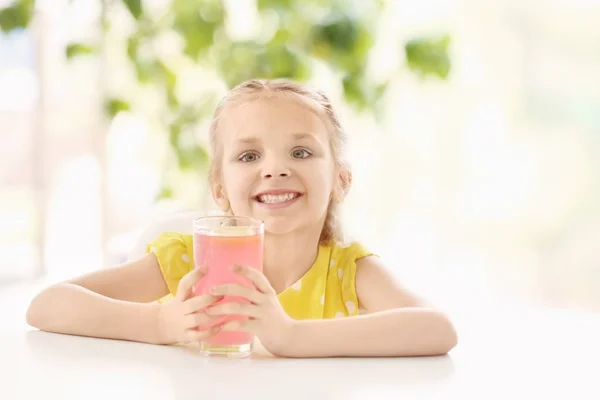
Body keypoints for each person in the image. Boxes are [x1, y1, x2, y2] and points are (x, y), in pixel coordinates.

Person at [26, 79, 457, 357]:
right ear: (219, 189)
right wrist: (159, 323)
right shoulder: (186, 264)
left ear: (340, 181)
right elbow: (48, 305)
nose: (274, 169)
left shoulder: (348, 273)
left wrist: (290, 336)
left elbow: (438, 330)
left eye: (301, 152)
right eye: (250, 155)